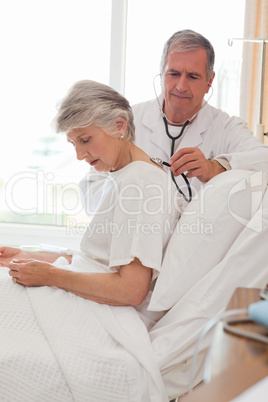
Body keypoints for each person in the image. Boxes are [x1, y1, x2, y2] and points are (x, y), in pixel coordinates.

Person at [0, 80, 183, 401]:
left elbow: (130, 289)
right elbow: (97, 262)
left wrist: (50, 275)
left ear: (119, 126)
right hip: (93, 300)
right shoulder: (124, 177)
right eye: (73, 144)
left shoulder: (142, 184)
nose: (80, 155)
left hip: (109, 317)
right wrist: (31, 257)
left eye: (85, 140)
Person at [132, 29, 268, 197]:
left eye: (193, 77)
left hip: (200, 222)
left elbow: (264, 159)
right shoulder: (129, 120)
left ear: (209, 81)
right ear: (161, 74)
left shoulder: (225, 127)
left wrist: (215, 167)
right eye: (174, 74)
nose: (181, 86)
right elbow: (93, 189)